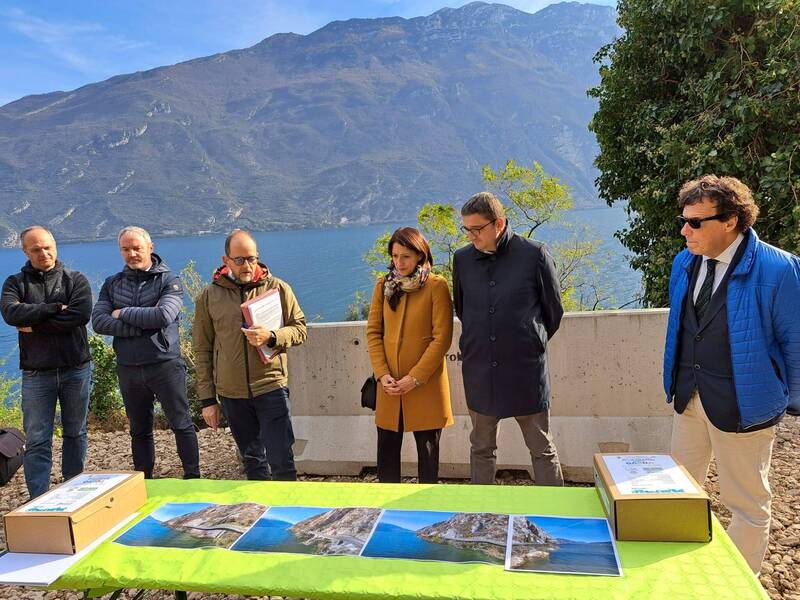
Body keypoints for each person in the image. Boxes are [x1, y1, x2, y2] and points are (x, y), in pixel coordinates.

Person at [664, 175, 800, 573]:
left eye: (695, 223)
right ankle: (682, 575)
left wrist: (790, 400)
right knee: (677, 492)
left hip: (745, 403)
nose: (685, 231)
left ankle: (743, 584)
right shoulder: (684, 261)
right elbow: (683, 326)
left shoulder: (780, 268)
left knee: (748, 503)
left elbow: (795, 339)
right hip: (688, 397)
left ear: (731, 221)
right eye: (682, 221)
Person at [453, 192, 564, 486]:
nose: (471, 236)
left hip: (525, 372)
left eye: (477, 229)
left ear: (498, 223)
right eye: (467, 229)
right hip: (480, 372)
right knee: (481, 448)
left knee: (541, 448)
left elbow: (553, 312)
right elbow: (463, 309)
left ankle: (556, 511)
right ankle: (483, 513)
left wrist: (528, 342)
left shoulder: (535, 254)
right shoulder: (461, 260)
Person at [193, 229, 307, 480]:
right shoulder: (209, 296)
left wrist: (272, 336)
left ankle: (288, 512)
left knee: (282, 459)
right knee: (252, 460)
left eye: (252, 259)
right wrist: (207, 400)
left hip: (271, 386)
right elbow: (202, 349)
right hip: (232, 393)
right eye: (240, 260)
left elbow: (300, 330)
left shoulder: (278, 288)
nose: (247, 265)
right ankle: (261, 514)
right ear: (226, 261)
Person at [92, 226, 200, 480]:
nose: (132, 254)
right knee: (139, 430)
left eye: (137, 248)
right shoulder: (112, 284)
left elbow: (163, 315)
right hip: (128, 367)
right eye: (126, 249)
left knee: (181, 424)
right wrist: (142, 324)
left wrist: (124, 313)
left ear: (150, 247)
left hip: (164, 366)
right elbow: (99, 323)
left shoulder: (169, 281)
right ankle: (144, 480)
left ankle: (193, 476)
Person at [1, 226, 92, 499]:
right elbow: (11, 313)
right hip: (36, 373)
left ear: (55, 245)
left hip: (75, 368)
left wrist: (35, 325)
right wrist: (54, 308)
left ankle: (74, 490)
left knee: (76, 433)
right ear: (25, 252)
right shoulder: (15, 283)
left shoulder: (75, 280)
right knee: (38, 438)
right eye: (36, 249)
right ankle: (38, 498)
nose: (44, 253)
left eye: (47, 247)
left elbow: (79, 315)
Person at [366, 227, 454, 483]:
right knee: (386, 455)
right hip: (390, 387)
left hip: (424, 387)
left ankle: (427, 509)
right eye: (395, 256)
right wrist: (383, 375)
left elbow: (442, 338)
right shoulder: (384, 285)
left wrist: (415, 378)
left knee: (428, 457)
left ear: (420, 255)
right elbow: (373, 332)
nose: (399, 262)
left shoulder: (437, 286)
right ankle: (387, 511)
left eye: (405, 256)